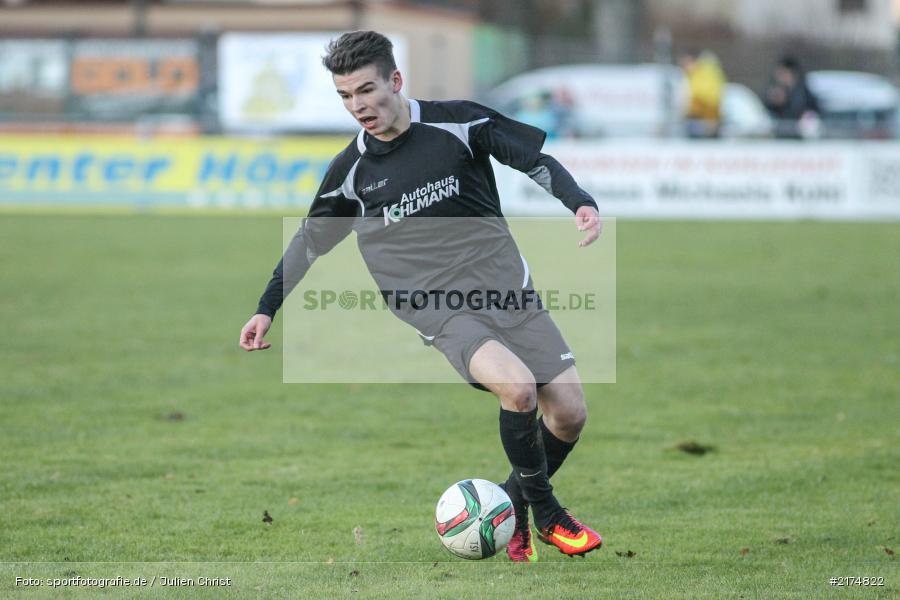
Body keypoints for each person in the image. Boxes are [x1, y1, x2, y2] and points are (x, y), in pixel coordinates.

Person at [238, 31, 603, 562]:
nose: (358, 105)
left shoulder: (460, 122)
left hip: (506, 288)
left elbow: (531, 161)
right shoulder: (351, 172)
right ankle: (547, 515)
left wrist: (580, 202)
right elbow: (309, 243)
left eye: (366, 89)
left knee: (568, 414)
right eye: (345, 96)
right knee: (518, 388)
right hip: (433, 303)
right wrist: (266, 308)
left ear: (396, 80)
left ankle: (513, 510)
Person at [764, 55, 820, 139]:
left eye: (782, 73)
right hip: (781, 137)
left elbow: (813, 112)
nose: (779, 77)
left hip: (799, 139)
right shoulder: (778, 90)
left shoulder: (804, 93)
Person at [678, 49, 726, 138]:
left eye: (686, 63)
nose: (684, 67)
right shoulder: (692, 76)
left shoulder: (705, 74)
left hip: (704, 113)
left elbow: (709, 96)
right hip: (699, 113)